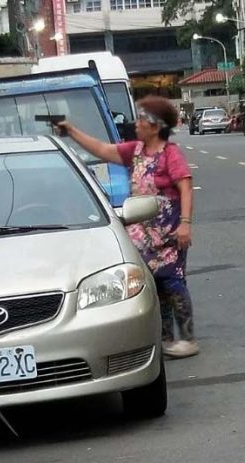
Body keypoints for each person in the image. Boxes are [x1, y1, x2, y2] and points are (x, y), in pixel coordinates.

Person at [57, 96, 199, 359]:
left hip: (168, 234)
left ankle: (188, 338)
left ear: (155, 127)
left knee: (173, 283)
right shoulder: (134, 152)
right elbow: (101, 149)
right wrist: (71, 131)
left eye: (142, 119)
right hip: (140, 234)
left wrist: (185, 224)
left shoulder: (171, 154)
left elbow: (185, 187)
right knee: (152, 286)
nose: (136, 124)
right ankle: (165, 338)